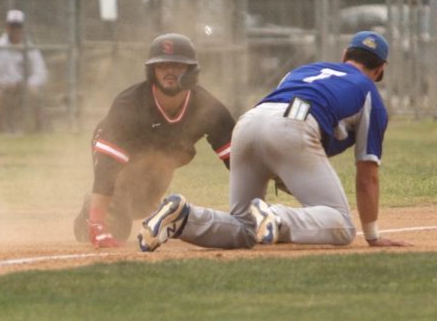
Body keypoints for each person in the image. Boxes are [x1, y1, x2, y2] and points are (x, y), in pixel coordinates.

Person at [138, 31, 413, 252]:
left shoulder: (303, 70)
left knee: (245, 226)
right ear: (380, 70)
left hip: (248, 123)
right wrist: (374, 236)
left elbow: (280, 114)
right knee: (341, 224)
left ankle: (184, 218)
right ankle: (275, 216)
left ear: (344, 56)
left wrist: (285, 166)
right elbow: (367, 177)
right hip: (293, 127)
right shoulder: (369, 94)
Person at [73, 33, 235, 248]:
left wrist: (254, 204)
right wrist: (97, 224)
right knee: (118, 226)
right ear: (152, 71)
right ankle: (91, 212)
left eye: (177, 65)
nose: (169, 71)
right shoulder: (129, 104)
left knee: (142, 206)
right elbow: (107, 168)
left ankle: (123, 204)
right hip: (122, 152)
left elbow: (238, 161)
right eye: (161, 65)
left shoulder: (207, 108)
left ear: (191, 71)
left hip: (165, 152)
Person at [0, 9, 48, 133]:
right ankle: (3, 131)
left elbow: (40, 72)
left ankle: (31, 130)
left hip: (22, 88)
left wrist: (29, 84)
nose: (15, 29)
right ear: (7, 27)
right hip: (1, 87)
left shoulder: (31, 48)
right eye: (12, 26)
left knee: (33, 93)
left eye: (19, 26)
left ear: (23, 28)